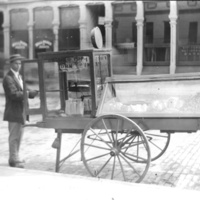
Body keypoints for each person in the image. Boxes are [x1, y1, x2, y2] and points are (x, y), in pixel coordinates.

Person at [2, 54, 38, 168]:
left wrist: (31, 92)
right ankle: (14, 159)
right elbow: (13, 94)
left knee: (20, 135)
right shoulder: (8, 78)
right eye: (16, 63)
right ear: (11, 64)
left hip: (21, 111)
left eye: (20, 63)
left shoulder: (19, 76)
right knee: (14, 136)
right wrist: (27, 94)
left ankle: (14, 157)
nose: (19, 65)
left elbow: (22, 90)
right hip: (13, 111)